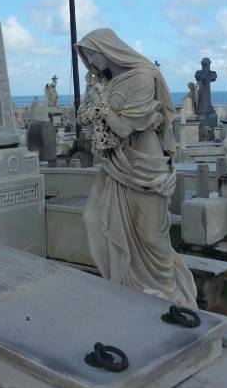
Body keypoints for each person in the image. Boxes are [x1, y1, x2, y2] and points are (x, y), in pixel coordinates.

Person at [75, 27, 197, 309]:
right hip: (117, 164)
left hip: (145, 165)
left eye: (91, 54)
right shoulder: (108, 81)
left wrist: (100, 106)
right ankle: (128, 285)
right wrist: (93, 99)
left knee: (151, 235)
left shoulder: (143, 76)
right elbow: (86, 118)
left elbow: (124, 127)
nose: (90, 62)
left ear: (107, 49)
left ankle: (169, 293)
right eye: (86, 57)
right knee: (94, 219)